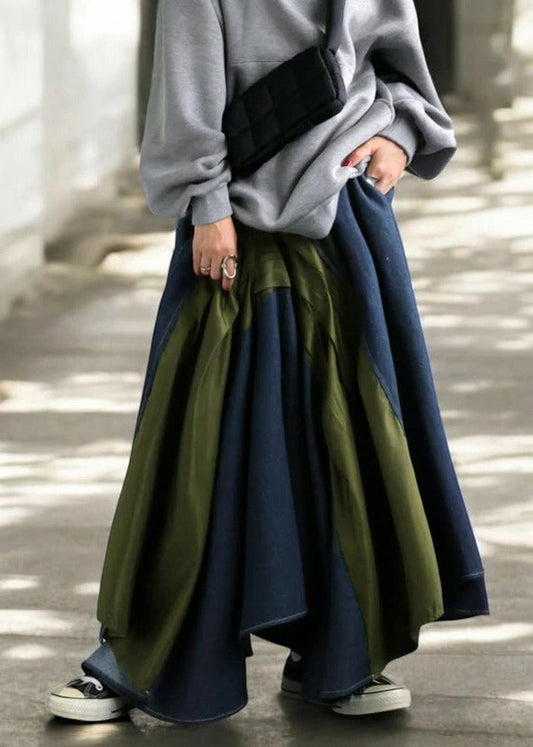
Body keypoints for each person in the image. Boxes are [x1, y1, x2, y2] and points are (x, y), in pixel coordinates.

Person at [46, 0, 489, 724]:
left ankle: (338, 652)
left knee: (350, 438)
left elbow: (397, 63)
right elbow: (185, 85)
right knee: (200, 442)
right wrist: (206, 202)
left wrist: (401, 135)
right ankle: (139, 660)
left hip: (348, 213)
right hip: (237, 223)